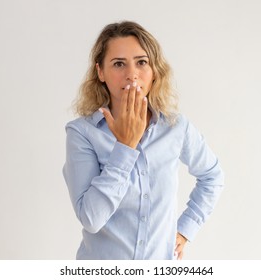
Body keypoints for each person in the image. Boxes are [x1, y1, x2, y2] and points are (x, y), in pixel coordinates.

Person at [63, 21, 224, 260]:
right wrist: (125, 147)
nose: (132, 74)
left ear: (154, 71)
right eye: (118, 64)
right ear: (100, 72)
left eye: (142, 62)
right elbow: (91, 219)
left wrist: (186, 229)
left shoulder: (175, 127)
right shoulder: (82, 133)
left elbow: (212, 175)